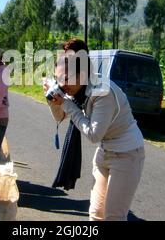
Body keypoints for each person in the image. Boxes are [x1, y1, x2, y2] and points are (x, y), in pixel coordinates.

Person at [44, 38, 145, 221]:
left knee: (113, 216)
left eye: (65, 79)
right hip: (104, 152)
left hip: (127, 154)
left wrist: (66, 104)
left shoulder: (102, 92)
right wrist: (53, 100)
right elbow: (60, 117)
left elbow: (93, 134)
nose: (62, 84)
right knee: (96, 213)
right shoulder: (76, 91)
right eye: (58, 79)